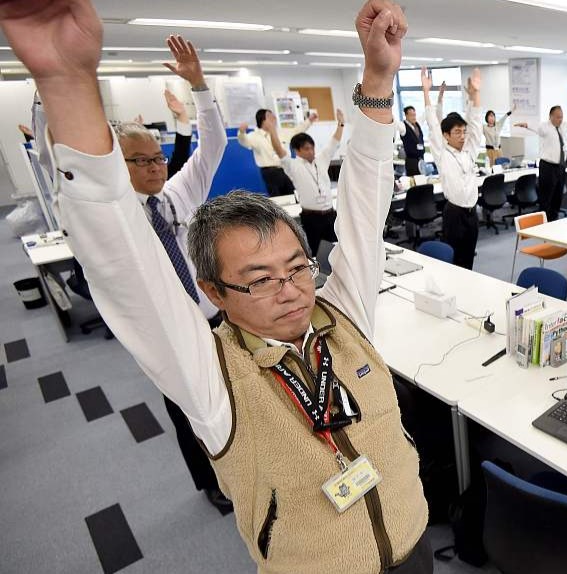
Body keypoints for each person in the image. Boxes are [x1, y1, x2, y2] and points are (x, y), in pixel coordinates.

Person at [7, 1, 432, 572]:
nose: (291, 290)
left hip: (414, 542)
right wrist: (66, 81)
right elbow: (121, 261)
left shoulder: (343, 315)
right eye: (259, 280)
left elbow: (364, 207)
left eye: (297, 268)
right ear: (213, 292)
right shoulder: (212, 374)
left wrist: (378, 79)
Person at [110, 34, 230, 511]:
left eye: (158, 157)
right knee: (188, 413)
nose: (155, 167)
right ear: (118, 166)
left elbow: (214, 144)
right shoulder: (118, 217)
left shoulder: (179, 192)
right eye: (140, 160)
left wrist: (199, 86)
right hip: (169, 335)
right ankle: (210, 484)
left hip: (214, 318)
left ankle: (237, 467)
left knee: (230, 396)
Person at [422, 66, 484, 270]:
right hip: (454, 214)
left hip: (472, 213)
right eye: (457, 132)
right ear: (446, 135)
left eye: (463, 132)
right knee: (453, 260)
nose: (462, 136)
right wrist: (426, 91)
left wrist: (475, 94)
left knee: (469, 258)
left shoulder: (469, 150)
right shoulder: (442, 152)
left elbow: (476, 123)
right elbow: (433, 122)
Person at [268, 109, 346, 256]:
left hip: (330, 214)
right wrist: (272, 129)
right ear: (297, 151)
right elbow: (279, 150)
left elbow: (334, 141)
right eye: (306, 149)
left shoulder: (321, 159)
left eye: (312, 147)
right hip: (311, 217)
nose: (311, 151)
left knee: (336, 251)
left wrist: (341, 123)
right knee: (316, 253)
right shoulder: (293, 165)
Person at [514, 104, 567, 223]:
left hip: (560, 167)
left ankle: (554, 221)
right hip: (548, 167)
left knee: (558, 196)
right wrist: (526, 125)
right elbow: (536, 127)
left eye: (562, 117)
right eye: (558, 117)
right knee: (546, 197)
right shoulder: (545, 127)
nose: (561, 119)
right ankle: (543, 223)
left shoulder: (563, 126)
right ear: (551, 117)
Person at [238, 109, 314, 196]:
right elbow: (244, 141)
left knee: (293, 195)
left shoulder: (281, 132)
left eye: (273, 116)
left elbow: (296, 131)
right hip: (270, 172)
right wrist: (241, 132)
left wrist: (309, 121)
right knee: (278, 197)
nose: (274, 118)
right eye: (269, 116)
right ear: (262, 120)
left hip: (286, 169)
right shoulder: (254, 135)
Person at [396, 106, 425, 176]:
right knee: (413, 181)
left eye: (414, 115)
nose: (414, 117)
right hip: (411, 161)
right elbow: (394, 122)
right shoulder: (403, 126)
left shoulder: (417, 124)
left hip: (421, 159)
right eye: (411, 115)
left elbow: (425, 114)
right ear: (406, 115)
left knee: (422, 180)